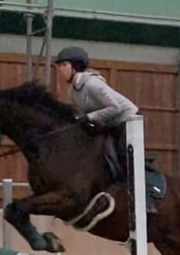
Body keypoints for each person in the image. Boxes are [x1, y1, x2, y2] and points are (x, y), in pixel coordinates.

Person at [53, 46, 157, 212]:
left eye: (63, 65)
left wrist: (89, 118)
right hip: (110, 123)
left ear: (75, 66)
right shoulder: (73, 92)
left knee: (124, 156)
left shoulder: (92, 84)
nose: (60, 69)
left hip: (128, 120)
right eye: (59, 66)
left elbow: (114, 107)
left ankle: (147, 197)